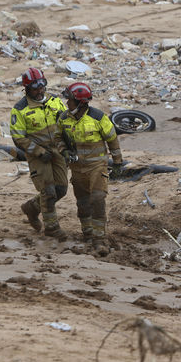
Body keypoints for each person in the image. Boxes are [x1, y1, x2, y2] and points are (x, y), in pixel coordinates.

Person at [56, 82, 122, 256]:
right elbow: (58, 139)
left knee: (98, 199)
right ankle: (87, 234)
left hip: (97, 166)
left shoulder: (99, 118)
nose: (66, 103)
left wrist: (117, 162)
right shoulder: (63, 119)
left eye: (69, 100)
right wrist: (64, 151)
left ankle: (99, 239)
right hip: (77, 168)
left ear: (80, 102)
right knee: (82, 201)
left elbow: (112, 140)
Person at [9, 67, 68, 240]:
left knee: (61, 189)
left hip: (58, 151)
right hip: (37, 155)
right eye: (35, 87)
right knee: (48, 190)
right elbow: (18, 137)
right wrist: (39, 151)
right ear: (27, 89)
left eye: (42, 86)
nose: (40, 90)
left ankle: (32, 208)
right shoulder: (20, 110)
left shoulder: (55, 101)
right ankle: (52, 228)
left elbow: (66, 124)